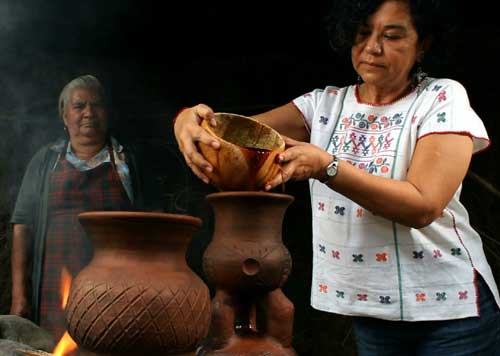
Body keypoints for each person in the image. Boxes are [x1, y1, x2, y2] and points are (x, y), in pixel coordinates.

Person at [173, 0, 500, 354]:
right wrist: (187, 120)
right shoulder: (324, 106)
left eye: (392, 36)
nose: (372, 48)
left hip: (450, 309)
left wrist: (327, 167)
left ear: (423, 45)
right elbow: (228, 133)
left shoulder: (442, 98)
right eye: (362, 34)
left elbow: (423, 206)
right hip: (372, 308)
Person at [9, 75, 163, 341]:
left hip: (116, 287)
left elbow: (153, 227)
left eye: (97, 105)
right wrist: (19, 297)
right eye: (79, 106)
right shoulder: (45, 162)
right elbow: (23, 226)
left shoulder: (129, 163)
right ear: (64, 115)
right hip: (54, 284)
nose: (89, 113)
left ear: (108, 113)